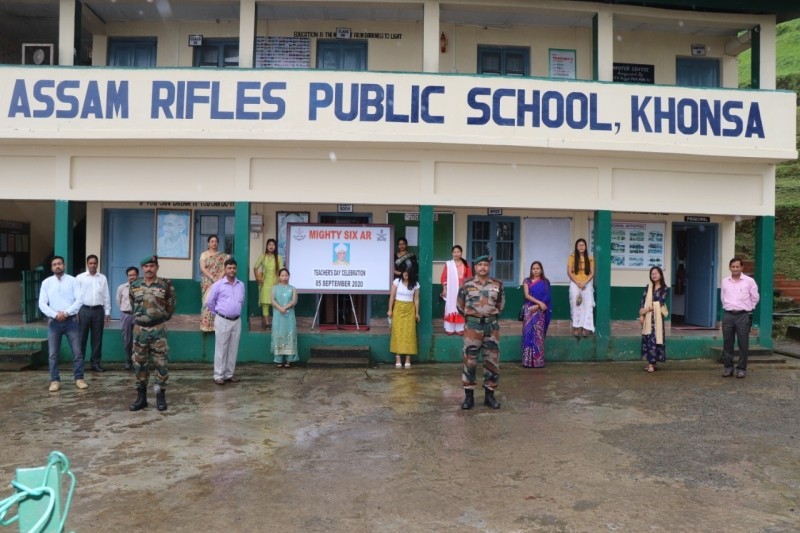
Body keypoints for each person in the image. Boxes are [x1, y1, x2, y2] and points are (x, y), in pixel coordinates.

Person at [129, 255, 176, 412]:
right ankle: (141, 398)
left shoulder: (165, 285)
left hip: (158, 330)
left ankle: (160, 397)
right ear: (142, 268)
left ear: (157, 267)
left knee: (160, 365)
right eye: (146, 266)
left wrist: (158, 318)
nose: (149, 269)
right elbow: (132, 304)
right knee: (139, 365)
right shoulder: (134, 285)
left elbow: (170, 306)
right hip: (139, 331)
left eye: (152, 266)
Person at [457, 255, 504, 410]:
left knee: (491, 362)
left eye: (485, 264)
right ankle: (468, 397)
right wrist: (473, 317)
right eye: (480, 265)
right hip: (472, 327)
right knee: (470, 361)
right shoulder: (466, 284)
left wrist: (489, 315)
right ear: (475, 267)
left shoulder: (497, 284)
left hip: (491, 327)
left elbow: (501, 305)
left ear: (488, 267)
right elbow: (460, 305)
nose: (483, 267)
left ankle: (489, 396)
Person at [38, 256, 88, 392]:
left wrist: (65, 313)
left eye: (59, 264)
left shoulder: (73, 281)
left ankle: (79, 378)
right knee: (53, 354)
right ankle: (55, 380)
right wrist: (55, 315)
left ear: (64, 265)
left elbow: (80, 299)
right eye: (54, 264)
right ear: (51, 267)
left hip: (71, 321)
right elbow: (42, 303)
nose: (57, 266)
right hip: (54, 322)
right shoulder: (46, 283)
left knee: (77, 352)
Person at [206, 258, 245, 385]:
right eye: (229, 268)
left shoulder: (241, 285)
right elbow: (210, 302)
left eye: (234, 268)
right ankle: (218, 375)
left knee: (233, 348)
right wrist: (219, 314)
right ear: (225, 269)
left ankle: (229, 374)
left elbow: (242, 302)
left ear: (236, 269)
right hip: (222, 319)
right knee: (221, 348)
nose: (232, 270)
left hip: (236, 321)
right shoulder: (218, 285)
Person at [720, 257, 760, 378]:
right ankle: (728, 368)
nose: (735, 269)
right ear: (730, 267)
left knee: (743, 343)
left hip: (742, 315)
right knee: (727, 343)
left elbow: (755, 297)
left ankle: (741, 369)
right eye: (733, 267)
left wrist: (750, 308)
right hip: (728, 315)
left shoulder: (749, 281)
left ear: (742, 268)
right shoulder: (725, 281)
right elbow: (723, 297)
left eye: (738, 266)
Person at [76, 254, 111, 372]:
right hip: (84, 311)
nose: (93, 265)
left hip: (98, 311)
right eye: (90, 263)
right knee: (81, 338)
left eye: (95, 263)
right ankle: (79, 364)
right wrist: (75, 312)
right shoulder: (80, 278)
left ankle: (95, 363)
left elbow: (106, 295)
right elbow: (75, 296)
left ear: (97, 264)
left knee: (97, 339)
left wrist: (107, 311)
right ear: (87, 264)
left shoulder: (102, 278)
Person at [521, 261, 552, 368]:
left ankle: (538, 360)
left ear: (541, 270)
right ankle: (527, 361)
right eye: (533, 268)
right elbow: (527, 295)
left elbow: (547, 297)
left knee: (538, 335)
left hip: (540, 311)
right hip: (529, 310)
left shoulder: (545, 282)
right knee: (528, 334)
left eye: (537, 268)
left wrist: (538, 306)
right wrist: (538, 303)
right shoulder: (527, 281)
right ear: (531, 270)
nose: (535, 270)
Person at [388, 265, 420, 369]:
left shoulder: (415, 284)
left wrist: (416, 313)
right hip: (398, 308)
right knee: (398, 332)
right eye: (404, 273)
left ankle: (407, 358)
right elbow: (392, 296)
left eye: (408, 273)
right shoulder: (397, 281)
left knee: (409, 333)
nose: (405, 275)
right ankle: (397, 357)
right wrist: (390, 309)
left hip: (409, 309)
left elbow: (416, 299)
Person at [639, 266, 669, 373]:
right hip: (647, 318)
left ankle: (651, 364)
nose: (654, 275)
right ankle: (652, 363)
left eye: (656, 273)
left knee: (654, 339)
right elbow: (642, 301)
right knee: (648, 339)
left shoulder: (664, 288)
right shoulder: (648, 287)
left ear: (660, 274)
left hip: (657, 319)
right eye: (652, 274)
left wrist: (646, 309)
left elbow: (660, 303)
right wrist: (642, 315)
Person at [199, 234, 228, 332]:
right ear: (208, 243)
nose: (214, 243)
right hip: (207, 282)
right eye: (212, 241)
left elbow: (225, 268)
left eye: (216, 241)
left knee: (217, 302)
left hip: (219, 281)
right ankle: (206, 325)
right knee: (208, 302)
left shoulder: (223, 256)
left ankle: (216, 326)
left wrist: (219, 278)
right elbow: (202, 268)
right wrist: (212, 277)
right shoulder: (204, 254)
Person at [440, 245, 472, 335]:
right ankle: (449, 328)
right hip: (451, 289)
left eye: (458, 252)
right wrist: (444, 289)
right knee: (451, 306)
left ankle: (460, 328)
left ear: (461, 253)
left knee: (460, 307)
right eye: (454, 252)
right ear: (452, 253)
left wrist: (468, 290)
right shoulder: (449, 264)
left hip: (462, 289)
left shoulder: (466, 264)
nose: (456, 254)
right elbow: (444, 278)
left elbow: (469, 278)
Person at [567, 238, 595, 337]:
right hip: (575, 284)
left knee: (588, 305)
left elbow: (592, 273)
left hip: (586, 284)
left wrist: (585, 283)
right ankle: (576, 326)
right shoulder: (572, 257)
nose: (581, 247)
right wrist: (577, 282)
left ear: (586, 246)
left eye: (583, 245)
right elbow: (569, 272)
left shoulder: (590, 258)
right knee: (576, 304)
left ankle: (586, 327)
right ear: (576, 247)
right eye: (579, 245)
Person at [271, 268, 298, 368]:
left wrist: (285, 307)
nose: (284, 277)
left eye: (286, 275)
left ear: (289, 276)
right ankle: (278, 359)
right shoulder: (274, 288)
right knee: (279, 334)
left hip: (289, 315)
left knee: (289, 334)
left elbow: (294, 301)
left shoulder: (293, 288)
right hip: (278, 315)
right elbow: (273, 300)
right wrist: (280, 308)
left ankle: (289, 359)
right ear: (279, 277)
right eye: (282, 275)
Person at [254, 238, 283, 330]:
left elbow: (281, 271)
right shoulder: (263, 256)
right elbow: (255, 267)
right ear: (267, 246)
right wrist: (258, 279)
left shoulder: (278, 257)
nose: (271, 246)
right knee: (265, 304)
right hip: (265, 284)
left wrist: (277, 280)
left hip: (276, 284)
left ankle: (276, 323)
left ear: (275, 247)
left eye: (273, 245)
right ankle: (267, 324)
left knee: (276, 304)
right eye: (269, 244)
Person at [115, 266, 139, 370]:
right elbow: (118, 300)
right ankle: (128, 360)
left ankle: (138, 362)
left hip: (139, 316)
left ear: (137, 275)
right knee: (127, 340)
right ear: (127, 277)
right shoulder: (122, 288)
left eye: (133, 275)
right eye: (130, 275)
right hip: (126, 316)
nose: (132, 277)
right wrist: (125, 310)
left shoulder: (142, 287)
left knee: (139, 340)